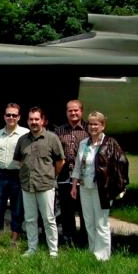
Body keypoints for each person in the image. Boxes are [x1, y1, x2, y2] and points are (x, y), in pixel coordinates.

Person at [71, 111, 129, 261]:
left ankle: (103, 256)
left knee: (101, 222)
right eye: (90, 124)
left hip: (102, 189)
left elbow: (122, 163)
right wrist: (74, 185)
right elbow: (78, 165)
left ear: (103, 125)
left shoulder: (110, 143)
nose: (93, 127)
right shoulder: (84, 143)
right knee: (89, 222)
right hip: (85, 187)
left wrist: (120, 185)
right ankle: (93, 251)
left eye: (96, 124)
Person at [14, 107, 65, 258]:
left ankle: (53, 251)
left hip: (46, 185)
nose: (34, 122)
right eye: (31, 119)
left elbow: (60, 161)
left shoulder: (52, 138)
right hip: (27, 185)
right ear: (27, 121)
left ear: (42, 120)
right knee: (30, 219)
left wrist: (51, 175)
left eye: (37, 119)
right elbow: (19, 160)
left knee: (49, 219)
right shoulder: (22, 140)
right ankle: (32, 248)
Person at [0, 103, 29, 247]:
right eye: (8, 115)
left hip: (18, 176)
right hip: (0, 176)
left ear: (19, 117)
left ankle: (13, 240)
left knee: (17, 209)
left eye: (14, 115)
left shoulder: (25, 133)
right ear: (4, 117)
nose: (11, 117)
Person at [54, 100, 89, 247]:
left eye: (76, 110)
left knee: (84, 211)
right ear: (66, 112)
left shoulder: (89, 129)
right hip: (64, 177)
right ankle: (69, 241)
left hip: (85, 177)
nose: (73, 113)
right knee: (66, 212)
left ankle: (85, 240)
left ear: (81, 111)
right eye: (70, 111)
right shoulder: (59, 131)